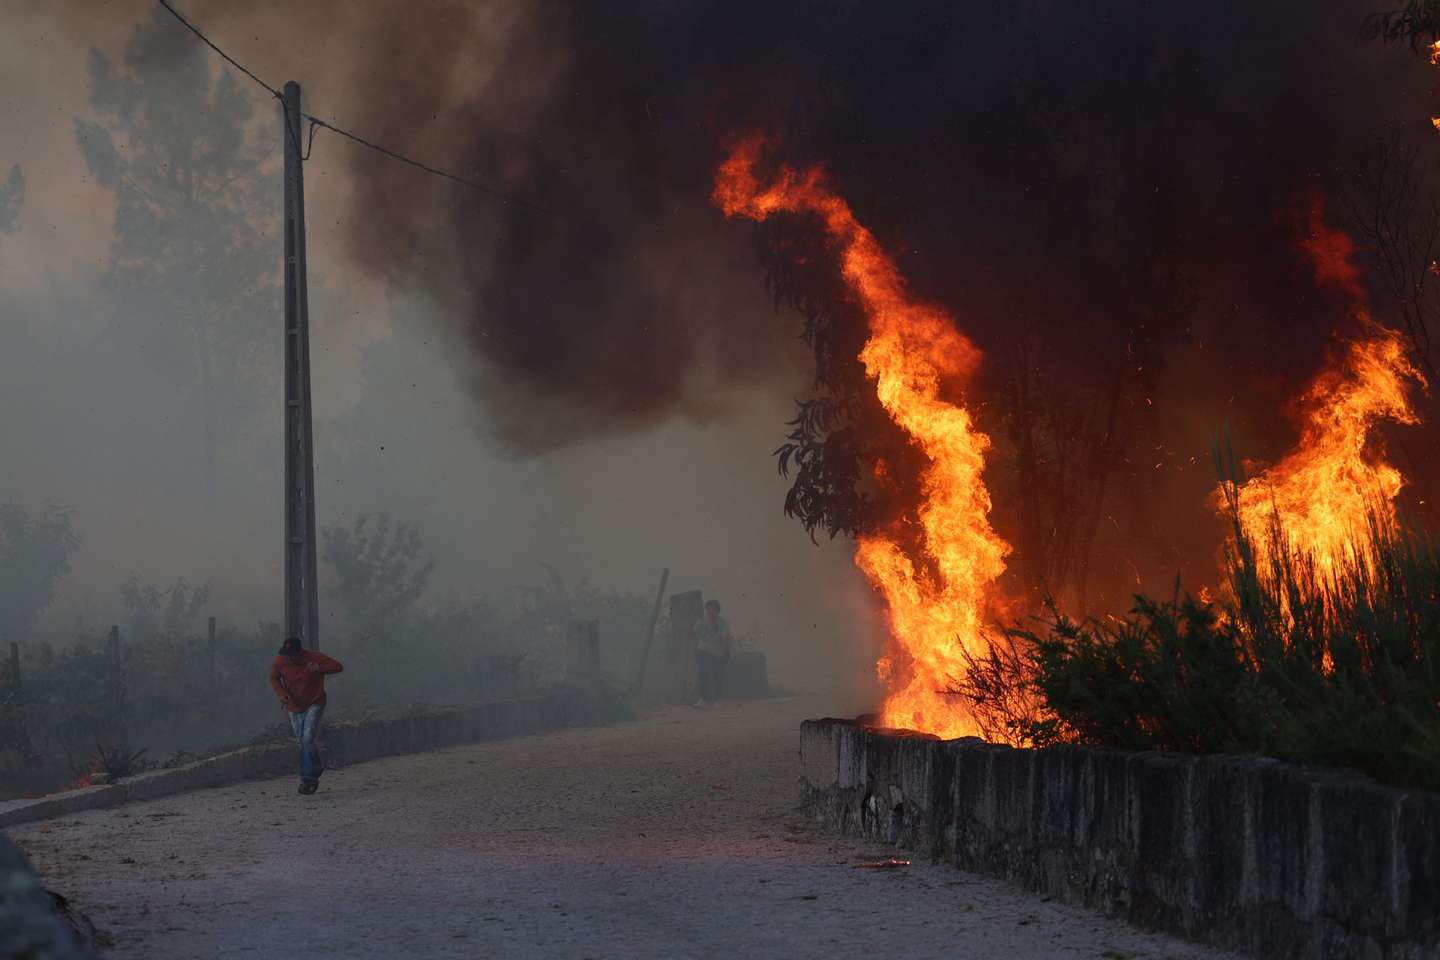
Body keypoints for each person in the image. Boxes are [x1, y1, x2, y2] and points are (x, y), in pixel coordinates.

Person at [268, 637, 344, 795]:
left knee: (307, 737)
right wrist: (282, 694)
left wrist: (320, 668)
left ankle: (307, 778)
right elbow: (274, 678)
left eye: (293, 655)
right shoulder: (280, 661)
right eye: (287, 654)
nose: (290, 658)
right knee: (302, 742)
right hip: (293, 705)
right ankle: (314, 770)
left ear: (300, 652)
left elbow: (337, 666)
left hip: (314, 702)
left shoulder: (314, 657)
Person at [692, 599, 732, 707]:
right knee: (703, 675)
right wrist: (698, 647)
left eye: (714, 609)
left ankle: (717, 700)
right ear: (706, 610)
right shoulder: (702, 620)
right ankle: (702, 700)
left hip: (717, 652)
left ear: (717, 611)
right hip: (703, 651)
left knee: (717, 676)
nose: (711, 612)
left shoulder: (722, 623)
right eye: (709, 609)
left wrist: (723, 653)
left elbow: (725, 639)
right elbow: (694, 633)